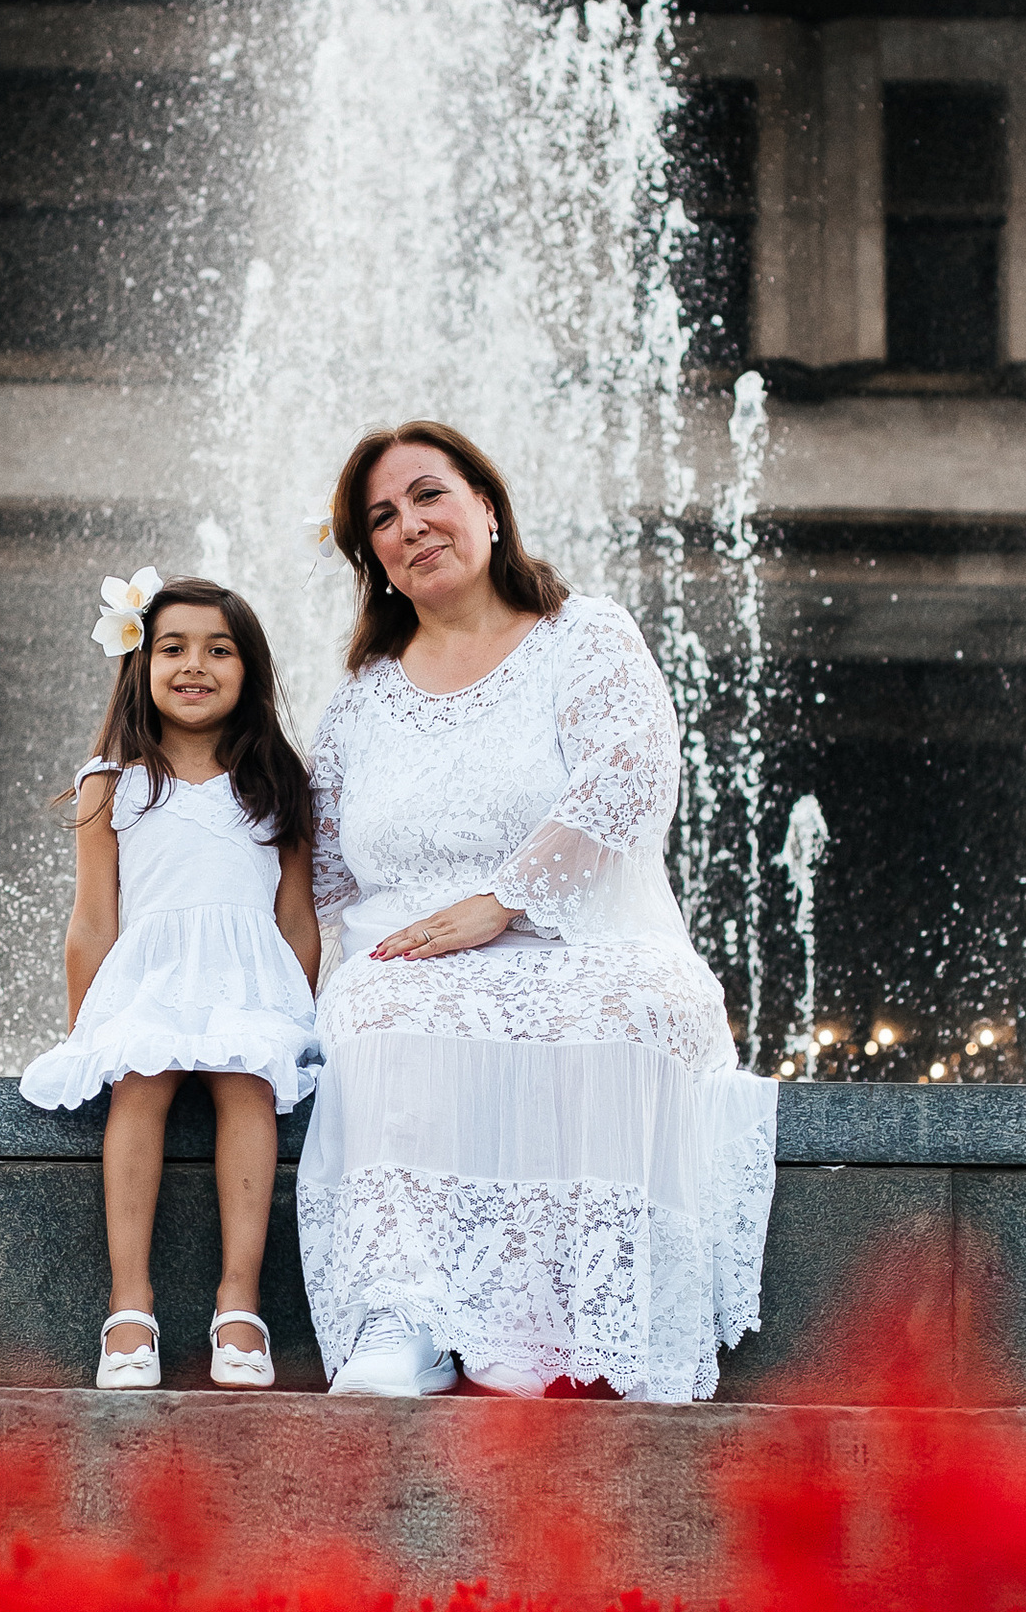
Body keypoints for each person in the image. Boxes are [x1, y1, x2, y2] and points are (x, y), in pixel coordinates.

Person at [298, 422, 776, 1401]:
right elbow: (317, 872)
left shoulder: (583, 636)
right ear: (371, 557)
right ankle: (406, 1319)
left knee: (632, 1010)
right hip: (414, 963)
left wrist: (505, 901)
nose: (409, 526)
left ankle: (587, 1329)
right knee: (380, 1012)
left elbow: (630, 773)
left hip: (581, 933)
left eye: (427, 495)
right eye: (381, 518)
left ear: (486, 505)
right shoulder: (359, 706)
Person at [22, 571, 324, 1390]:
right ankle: (130, 1303)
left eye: (219, 650)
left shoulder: (278, 782)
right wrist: (88, 1029)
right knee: (141, 1082)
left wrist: (298, 1019)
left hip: (247, 982)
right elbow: (93, 920)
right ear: (141, 663)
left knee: (247, 1084)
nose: (195, 665)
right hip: (150, 980)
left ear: (249, 669)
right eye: (173, 649)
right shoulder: (112, 782)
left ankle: (239, 1303)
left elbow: (296, 917)